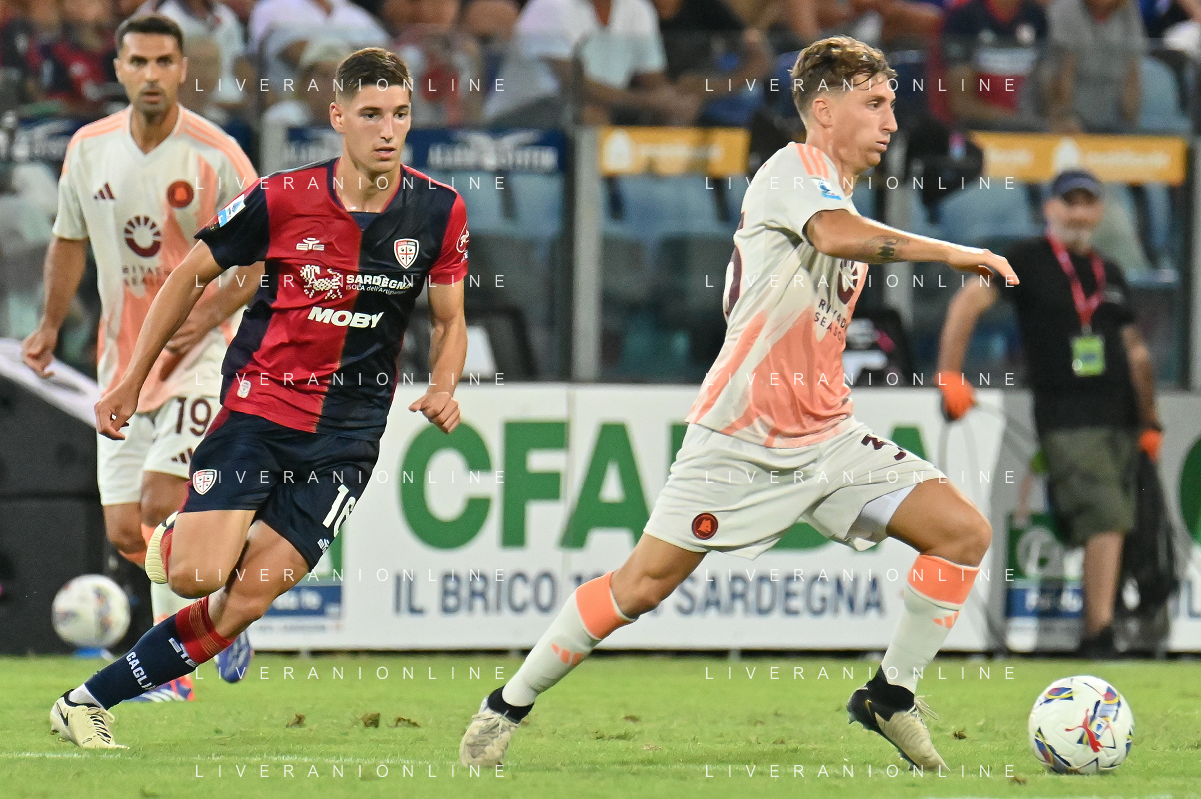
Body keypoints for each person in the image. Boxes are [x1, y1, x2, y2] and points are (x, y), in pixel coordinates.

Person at [460, 34, 1017, 771]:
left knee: (962, 534)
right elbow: (835, 236)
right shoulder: (792, 170)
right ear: (824, 110)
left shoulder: (835, 189)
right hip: (742, 435)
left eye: (891, 104)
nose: (890, 120)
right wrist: (950, 251)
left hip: (827, 436)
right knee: (640, 586)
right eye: (874, 103)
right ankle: (506, 706)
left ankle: (890, 696)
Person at [48, 46, 469, 749]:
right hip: (259, 412)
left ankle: (85, 702)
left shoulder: (438, 210)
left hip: (348, 438)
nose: (388, 130)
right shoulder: (282, 197)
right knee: (196, 576)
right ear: (338, 117)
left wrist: (446, 386)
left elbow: (452, 322)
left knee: (244, 599)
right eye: (371, 114)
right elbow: (188, 275)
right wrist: (130, 378)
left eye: (400, 114)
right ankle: (187, 537)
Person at [22, 13, 259, 701]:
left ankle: (174, 669)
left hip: (201, 355)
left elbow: (257, 260)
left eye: (163, 62)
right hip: (121, 362)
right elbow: (69, 239)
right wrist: (48, 325)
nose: (151, 75)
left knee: (161, 498)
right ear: (119, 68)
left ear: (181, 69)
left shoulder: (217, 155)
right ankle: (223, 596)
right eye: (138, 62)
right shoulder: (89, 148)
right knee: (129, 529)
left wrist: (203, 318)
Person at [937, 169, 1162, 660]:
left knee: (1120, 523)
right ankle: (1099, 633)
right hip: (1068, 413)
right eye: (1069, 202)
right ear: (1050, 208)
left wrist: (1150, 420)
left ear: (1100, 210)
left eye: (1088, 202)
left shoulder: (1108, 269)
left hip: (1120, 415)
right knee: (1106, 517)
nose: (1078, 213)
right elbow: (967, 303)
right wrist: (950, 373)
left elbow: (1134, 349)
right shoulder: (1027, 258)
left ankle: (1105, 623)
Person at [483, 0, 700, 127]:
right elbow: (575, 85)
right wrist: (648, 102)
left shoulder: (638, 9)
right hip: (518, 118)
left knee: (674, 117)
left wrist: (674, 102)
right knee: (589, 115)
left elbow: (653, 81)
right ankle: (593, 193)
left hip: (605, 106)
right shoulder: (548, 6)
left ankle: (663, 192)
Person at [937, 0, 1048, 131]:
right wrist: (1019, 121)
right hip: (979, 130)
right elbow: (961, 102)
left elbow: (1047, 88)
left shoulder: (1036, 15)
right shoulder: (964, 17)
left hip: (1034, 129)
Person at [1046, 0, 1146, 133]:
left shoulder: (1128, 11)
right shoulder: (1064, 9)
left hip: (1113, 114)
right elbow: (1063, 74)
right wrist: (1064, 118)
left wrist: (1129, 126)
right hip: (1069, 112)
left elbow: (1132, 73)